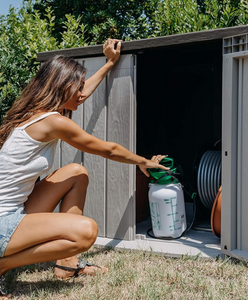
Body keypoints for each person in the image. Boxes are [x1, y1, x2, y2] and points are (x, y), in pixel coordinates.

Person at [0, 38, 168, 299]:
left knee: (76, 172)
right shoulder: (54, 121)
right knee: (86, 231)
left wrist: (109, 64)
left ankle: (67, 266)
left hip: (14, 211)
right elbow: (107, 149)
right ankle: (3, 264)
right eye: (76, 88)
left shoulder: (37, 112)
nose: (82, 94)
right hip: (3, 222)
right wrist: (143, 161)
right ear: (61, 87)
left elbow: (80, 95)